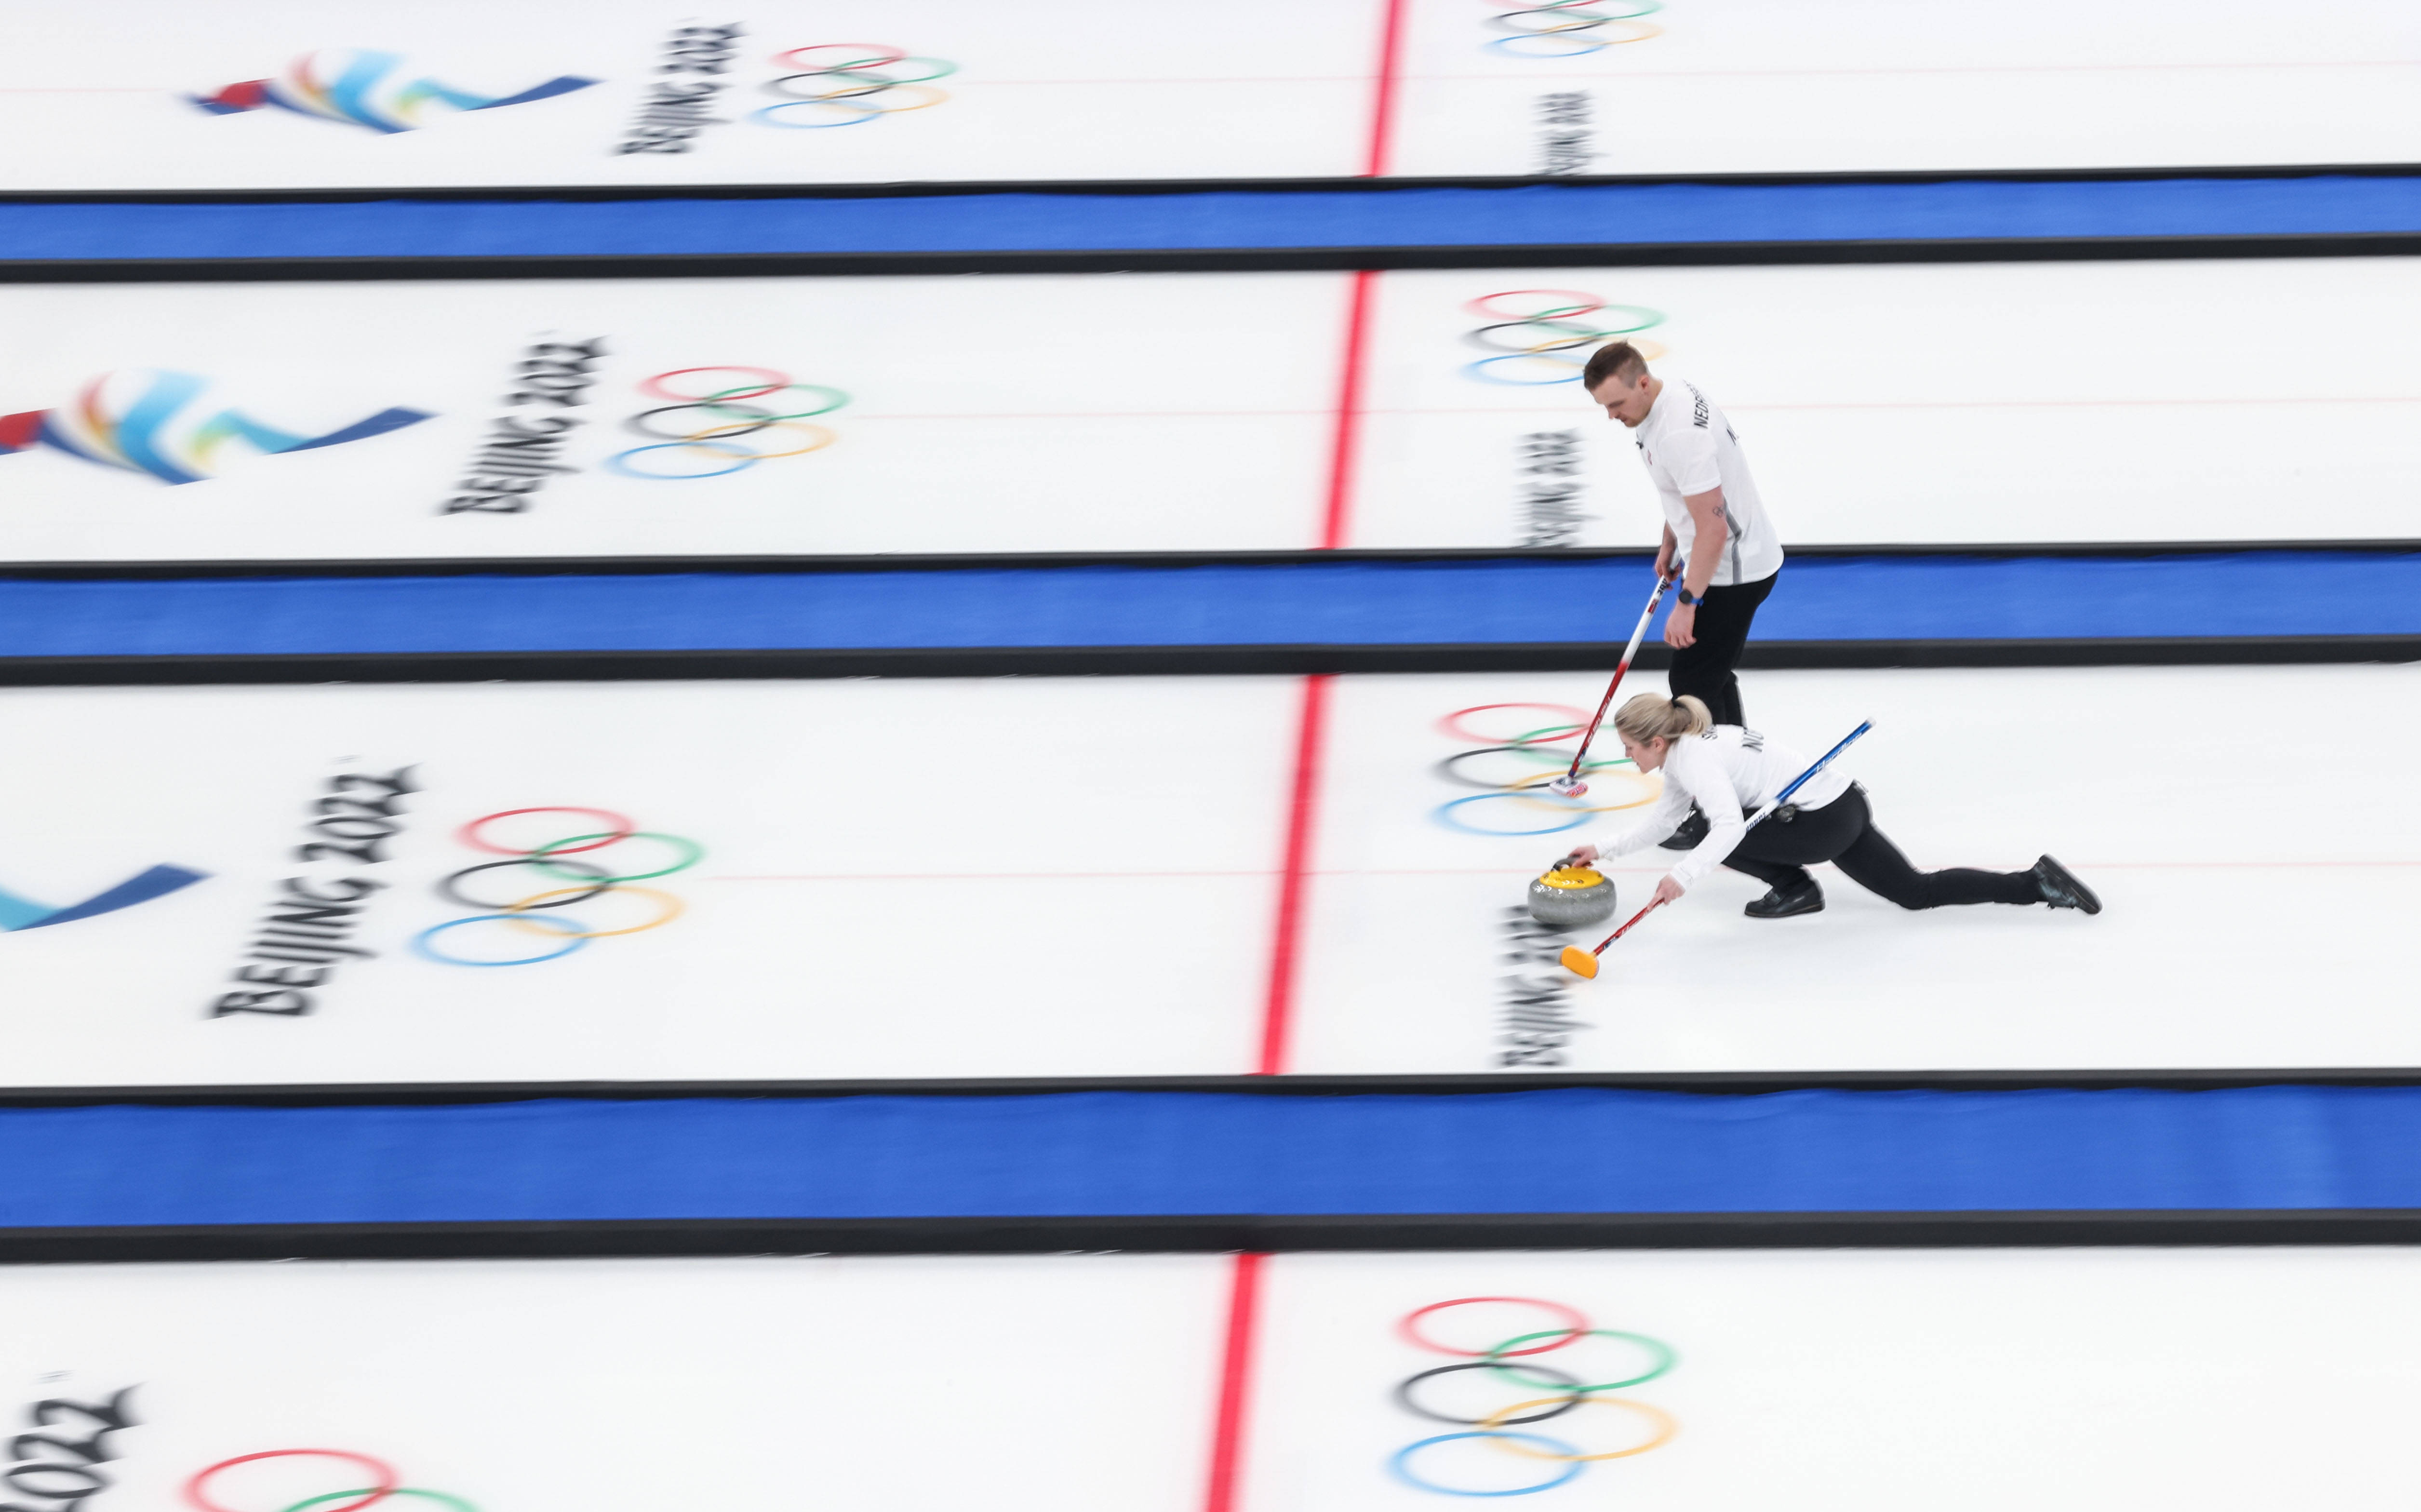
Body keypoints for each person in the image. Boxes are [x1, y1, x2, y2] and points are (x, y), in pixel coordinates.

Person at [1557, 694, 2100, 920]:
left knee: (1715, 827)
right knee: (1915, 892)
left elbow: (1721, 824)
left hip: (1820, 822)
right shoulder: (1686, 752)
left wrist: (1682, 874)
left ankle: (1795, 888)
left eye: (1629, 746)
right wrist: (1602, 849)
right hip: (1844, 806)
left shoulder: (1694, 759)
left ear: (1655, 742)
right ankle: (2034, 883)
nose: (1626, 755)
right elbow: (1664, 819)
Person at [1582, 342, 1780, 729]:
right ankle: (1737, 766)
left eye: (1616, 404)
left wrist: (1687, 603)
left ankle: (1715, 781)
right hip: (1727, 558)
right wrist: (1672, 540)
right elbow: (1683, 490)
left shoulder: (1678, 434)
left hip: (1734, 571)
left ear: (1642, 383)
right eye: (1604, 407)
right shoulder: (1663, 400)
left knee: (1693, 686)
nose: (1611, 416)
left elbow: (1713, 527)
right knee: (1711, 674)